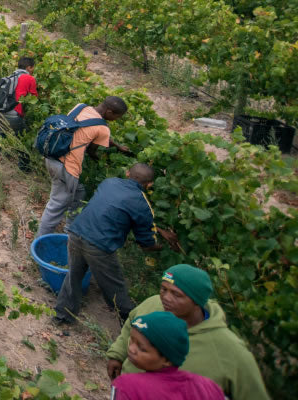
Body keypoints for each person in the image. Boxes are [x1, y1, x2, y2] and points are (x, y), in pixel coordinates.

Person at [106, 264, 269, 399]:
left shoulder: (230, 350)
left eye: (177, 294)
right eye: (163, 289)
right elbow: (131, 325)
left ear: (196, 301)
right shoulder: (153, 305)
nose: (166, 298)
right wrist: (117, 354)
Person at [55, 164, 165, 326]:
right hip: (99, 245)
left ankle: (62, 316)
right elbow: (146, 244)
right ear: (149, 185)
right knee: (116, 289)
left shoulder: (109, 182)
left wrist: (158, 229)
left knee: (73, 276)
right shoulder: (142, 203)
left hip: (76, 232)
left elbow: (113, 207)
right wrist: (162, 246)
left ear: (127, 173)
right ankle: (133, 328)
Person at [38, 95, 131, 235]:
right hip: (67, 167)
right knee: (56, 206)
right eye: (117, 117)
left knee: (79, 191)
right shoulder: (103, 129)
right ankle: (40, 240)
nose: (116, 120)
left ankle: (70, 229)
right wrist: (104, 163)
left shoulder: (81, 107)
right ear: (110, 112)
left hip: (52, 156)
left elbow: (82, 130)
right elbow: (92, 150)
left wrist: (116, 146)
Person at [110, 311, 224, 400]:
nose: (131, 348)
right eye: (132, 340)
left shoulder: (127, 386)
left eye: (142, 348)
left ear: (168, 360)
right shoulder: (208, 388)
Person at [0, 56, 38, 180]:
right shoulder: (29, 78)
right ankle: (24, 168)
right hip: (14, 117)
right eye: (33, 68)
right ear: (29, 67)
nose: (33, 70)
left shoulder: (9, 78)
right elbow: (34, 99)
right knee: (23, 141)